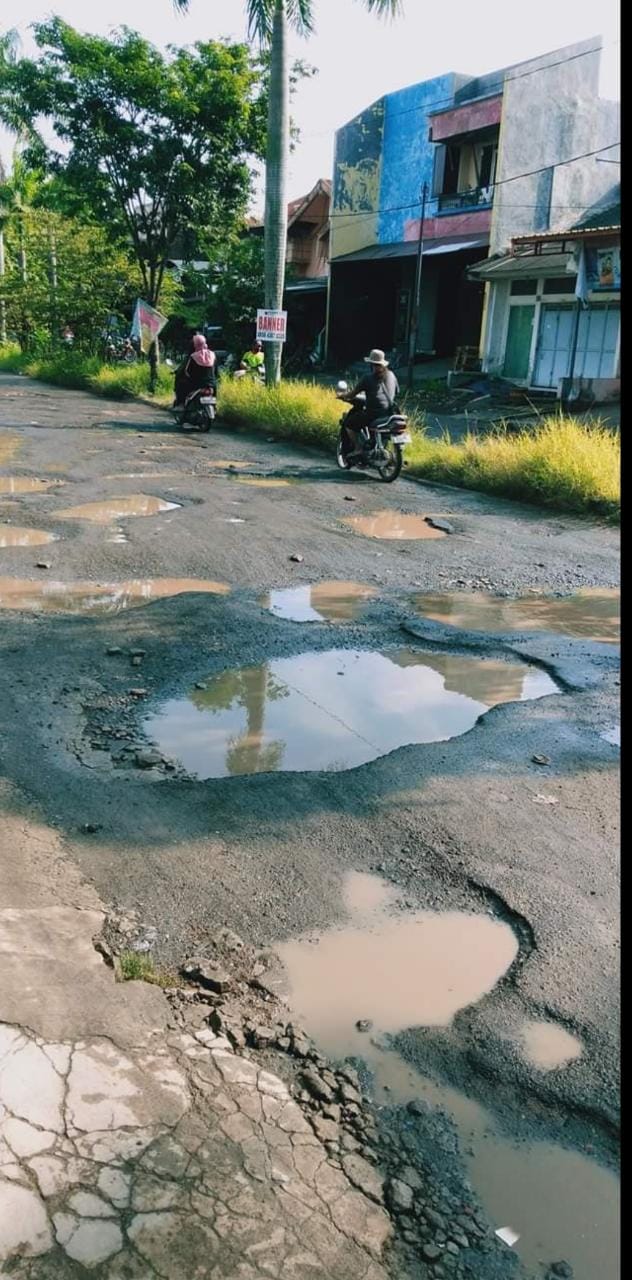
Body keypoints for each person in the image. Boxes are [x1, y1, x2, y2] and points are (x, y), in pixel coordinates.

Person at [338, 348, 400, 458]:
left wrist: (343, 396)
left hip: (373, 414)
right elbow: (396, 392)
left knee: (349, 424)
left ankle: (358, 448)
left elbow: (352, 394)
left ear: (371, 364)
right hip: (389, 413)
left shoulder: (368, 378)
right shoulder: (392, 375)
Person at [174, 334, 216, 407]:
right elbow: (215, 370)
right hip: (211, 384)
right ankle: (215, 407)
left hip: (196, 384)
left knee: (181, 384)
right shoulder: (212, 355)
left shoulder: (193, 356)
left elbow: (187, 371)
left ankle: (180, 403)